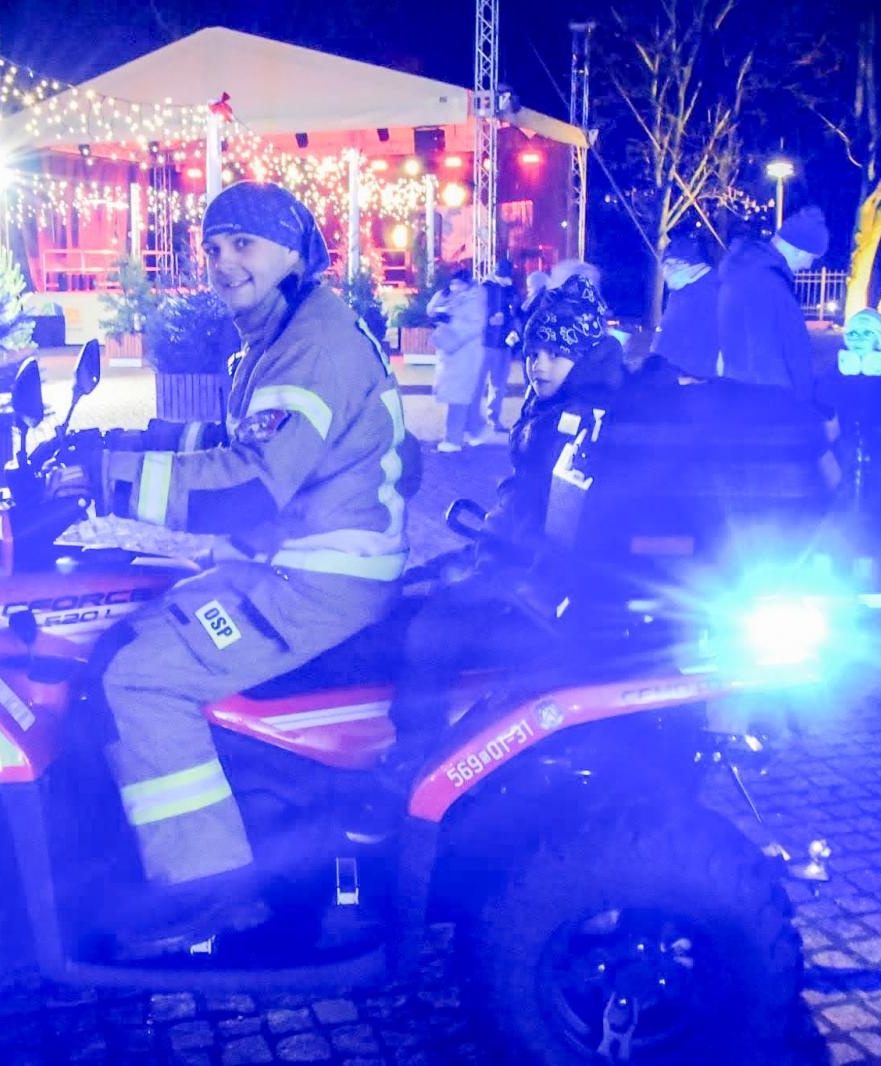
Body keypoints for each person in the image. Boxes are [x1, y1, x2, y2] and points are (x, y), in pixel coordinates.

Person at [50, 182, 411, 956]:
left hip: (317, 581)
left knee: (137, 677)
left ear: (293, 253)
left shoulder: (312, 345)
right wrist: (133, 441)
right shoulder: (283, 334)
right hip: (291, 564)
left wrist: (108, 478)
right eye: (212, 247)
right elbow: (239, 439)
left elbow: (249, 486)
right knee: (125, 626)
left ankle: (202, 889)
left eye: (242, 244)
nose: (221, 262)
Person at [383, 275, 623, 779]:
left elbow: (561, 517)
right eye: (534, 352)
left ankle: (417, 756)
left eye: (553, 355)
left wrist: (500, 558)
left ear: (581, 356)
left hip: (533, 571)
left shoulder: (586, 419)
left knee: (432, 628)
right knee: (410, 591)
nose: (537, 365)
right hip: (508, 550)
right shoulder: (554, 405)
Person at [814, 309, 881, 586]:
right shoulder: (833, 375)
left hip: (878, 454)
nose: (859, 339)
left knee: (873, 510)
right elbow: (823, 409)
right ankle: (829, 560)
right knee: (838, 507)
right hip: (842, 454)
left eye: (867, 334)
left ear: (878, 339)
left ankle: (867, 562)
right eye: (854, 333)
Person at [718, 206, 829, 402]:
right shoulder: (767, 284)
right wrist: (785, 404)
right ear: (797, 249)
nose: (808, 266)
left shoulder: (748, 274)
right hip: (766, 400)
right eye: (810, 257)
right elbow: (766, 350)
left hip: (744, 391)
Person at [427, 269, 490, 451]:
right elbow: (431, 311)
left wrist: (450, 322)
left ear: (467, 283)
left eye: (458, 284)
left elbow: (474, 326)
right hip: (452, 354)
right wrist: (441, 296)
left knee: (458, 397)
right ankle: (478, 430)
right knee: (462, 397)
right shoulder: (451, 296)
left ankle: (453, 440)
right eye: (452, 284)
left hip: (466, 355)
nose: (455, 287)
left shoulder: (474, 299)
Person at [650, 234, 721, 381]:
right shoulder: (682, 288)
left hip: (694, 377)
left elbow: (708, 336)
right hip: (677, 373)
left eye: (670, 265)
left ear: (685, 264)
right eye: (664, 265)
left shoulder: (707, 290)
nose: (666, 271)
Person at [480, 257, 518, 435]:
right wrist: (488, 321)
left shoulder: (510, 288)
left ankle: (493, 418)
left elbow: (515, 313)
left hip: (503, 343)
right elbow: (476, 313)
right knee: (480, 383)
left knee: (499, 384)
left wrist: (512, 327)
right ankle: (474, 420)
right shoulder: (485, 288)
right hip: (486, 343)